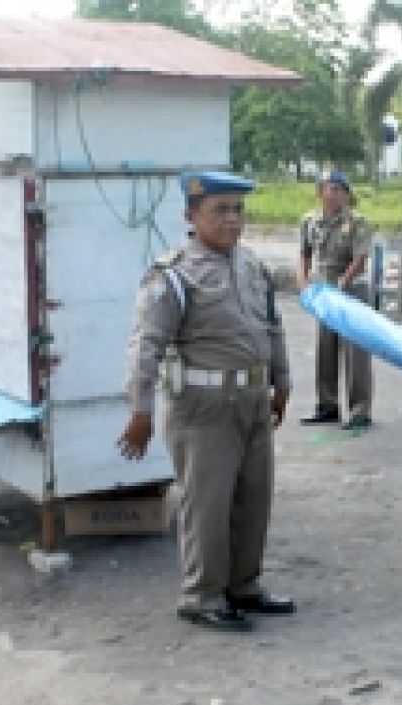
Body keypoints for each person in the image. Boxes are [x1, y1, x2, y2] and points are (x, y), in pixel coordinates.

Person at [119, 171, 294, 632]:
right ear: (192, 216)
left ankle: (244, 586)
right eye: (221, 211)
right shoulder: (173, 275)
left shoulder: (251, 266)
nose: (233, 220)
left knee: (253, 502)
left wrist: (282, 381)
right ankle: (201, 595)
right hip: (203, 408)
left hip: (253, 401)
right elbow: (146, 345)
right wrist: (139, 410)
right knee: (208, 506)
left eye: (238, 210)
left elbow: (272, 326)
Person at [298, 169, 376, 431]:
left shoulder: (357, 222)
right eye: (330, 188)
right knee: (325, 349)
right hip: (323, 291)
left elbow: (360, 258)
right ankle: (327, 405)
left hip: (351, 291)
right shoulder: (310, 221)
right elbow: (304, 253)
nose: (335, 194)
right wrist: (303, 281)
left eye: (340, 189)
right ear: (320, 192)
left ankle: (360, 410)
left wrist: (343, 283)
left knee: (356, 352)